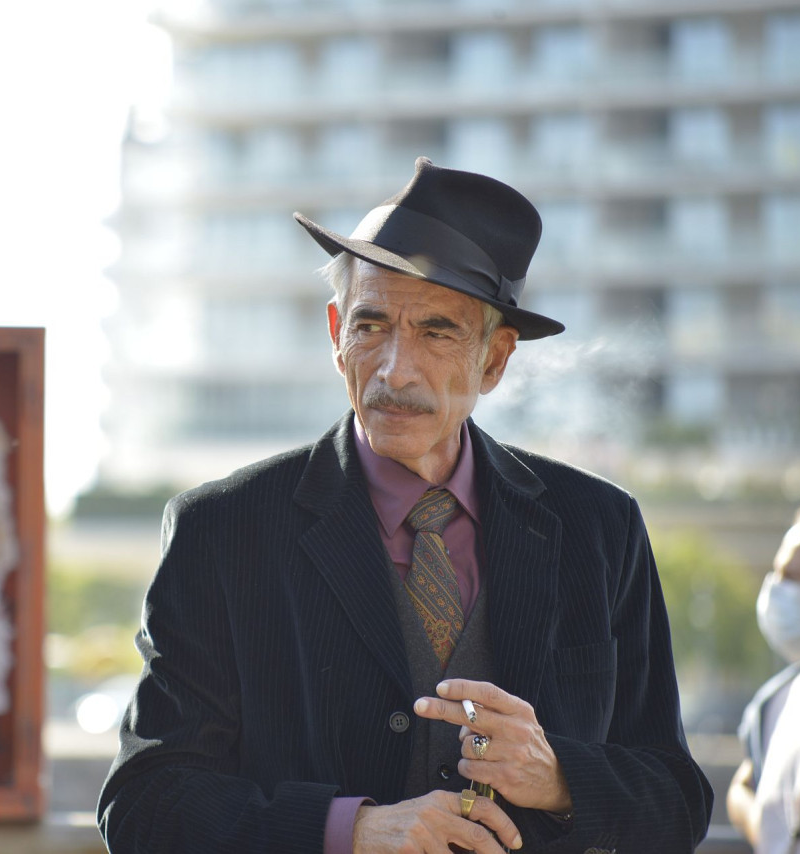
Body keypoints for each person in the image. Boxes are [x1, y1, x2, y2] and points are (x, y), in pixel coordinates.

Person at [96, 157, 713, 853]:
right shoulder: (222, 532)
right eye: (371, 325)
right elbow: (144, 806)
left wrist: (560, 777)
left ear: (494, 359)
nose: (394, 369)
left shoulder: (600, 527)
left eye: (436, 331)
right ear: (336, 334)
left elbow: (677, 801)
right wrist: (350, 829)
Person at [728, 498, 800, 851]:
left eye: (793, 580)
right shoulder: (776, 701)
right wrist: (766, 829)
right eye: (777, 573)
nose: (777, 591)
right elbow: (743, 786)